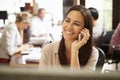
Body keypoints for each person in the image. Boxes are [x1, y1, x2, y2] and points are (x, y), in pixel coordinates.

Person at [39, 5, 99, 71]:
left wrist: (75, 50)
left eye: (76, 24)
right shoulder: (48, 50)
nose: (69, 27)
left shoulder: (92, 53)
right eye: (67, 20)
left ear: (85, 30)